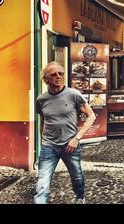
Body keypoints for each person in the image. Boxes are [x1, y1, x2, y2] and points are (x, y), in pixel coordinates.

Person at [34, 62, 96, 204]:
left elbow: (91, 116)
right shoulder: (41, 99)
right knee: (42, 183)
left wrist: (77, 138)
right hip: (49, 147)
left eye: (60, 73)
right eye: (53, 74)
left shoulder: (74, 94)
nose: (58, 76)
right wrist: (43, 141)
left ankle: (80, 198)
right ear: (46, 78)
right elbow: (43, 121)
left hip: (70, 145)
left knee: (77, 177)